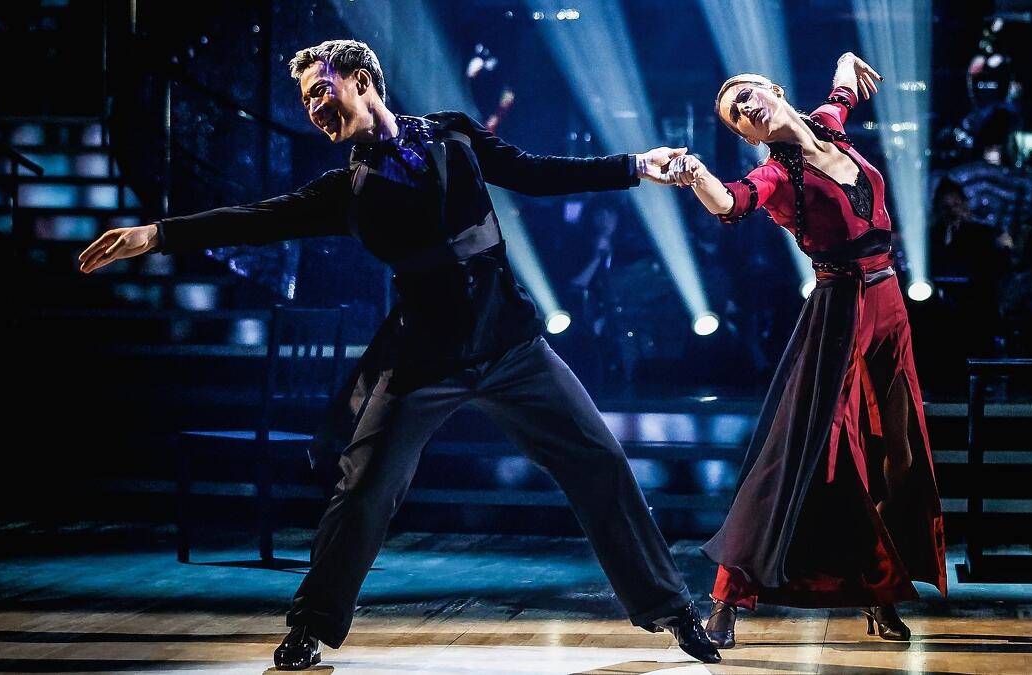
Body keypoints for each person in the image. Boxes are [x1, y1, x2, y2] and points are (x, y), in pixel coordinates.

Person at [77, 39, 719, 669]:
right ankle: (311, 625)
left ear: (360, 80)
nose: (312, 109)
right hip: (422, 359)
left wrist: (635, 164)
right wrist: (157, 234)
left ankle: (671, 609)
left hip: (510, 344)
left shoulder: (454, 132)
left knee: (601, 463)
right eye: (305, 101)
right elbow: (258, 218)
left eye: (319, 91)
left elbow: (534, 172)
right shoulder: (345, 190)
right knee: (364, 486)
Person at [664, 52, 947, 647]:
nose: (745, 110)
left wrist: (844, 61)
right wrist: (695, 175)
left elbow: (842, 92)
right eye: (736, 116)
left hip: (890, 305)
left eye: (747, 95)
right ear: (748, 136)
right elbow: (730, 203)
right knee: (799, 455)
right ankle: (727, 598)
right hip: (839, 311)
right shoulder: (775, 177)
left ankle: (879, 590)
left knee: (898, 456)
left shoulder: (828, 125)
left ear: (774, 88)